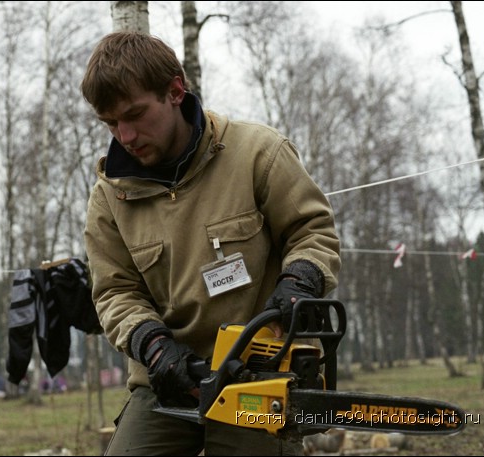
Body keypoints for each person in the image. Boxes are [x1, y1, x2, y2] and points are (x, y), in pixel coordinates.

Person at [81, 31, 341, 456]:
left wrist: (300, 282)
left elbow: (313, 231)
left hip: (261, 372)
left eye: (134, 115)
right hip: (166, 378)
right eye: (111, 123)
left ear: (175, 91)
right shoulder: (110, 196)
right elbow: (115, 292)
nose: (124, 135)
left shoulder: (257, 153)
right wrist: (153, 344)